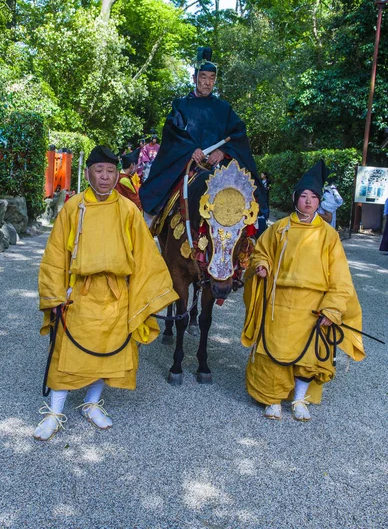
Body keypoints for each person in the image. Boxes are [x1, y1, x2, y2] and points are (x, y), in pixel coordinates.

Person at [34, 146, 177, 441]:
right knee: (66, 355)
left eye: (110, 171)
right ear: (88, 173)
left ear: (117, 175)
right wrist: (55, 295)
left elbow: (146, 255)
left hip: (115, 295)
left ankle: (91, 404)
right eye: (99, 170)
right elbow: (56, 254)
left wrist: (149, 297)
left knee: (107, 355)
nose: (105, 176)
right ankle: (54, 412)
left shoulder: (128, 209)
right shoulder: (74, 207)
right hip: (80, 294)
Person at [241, 160, 365, 422]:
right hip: (279, 302)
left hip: (312, 306)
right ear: (295, 199)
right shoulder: (279, 229)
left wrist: (332, 308)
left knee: (308, 357)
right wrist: (262, 266)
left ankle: (299, 399)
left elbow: (340, 277)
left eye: (313, 197)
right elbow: (261, 253)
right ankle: (272, 400)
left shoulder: (329, 236)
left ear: (319, 201)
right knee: (272, 353)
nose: (308, 202)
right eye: (304, 196)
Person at [139, 47, 266, 219]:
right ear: (195, 78)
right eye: (203, 77)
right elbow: (173, 133)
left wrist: (224, 151)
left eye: (212, 78)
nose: (207, 82)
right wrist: (190, 149)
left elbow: (238, 133)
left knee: (245, 201)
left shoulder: (224, 108)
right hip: (188, 165)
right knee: (163, 206)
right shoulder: (181, 105)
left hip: (219, 167)